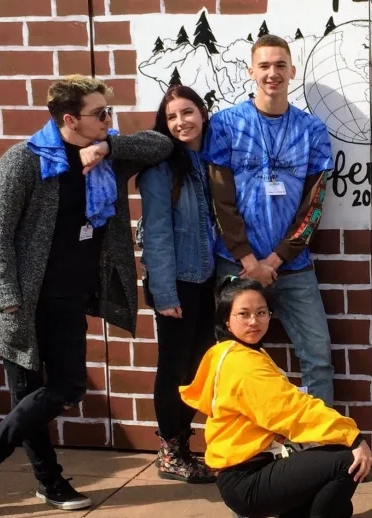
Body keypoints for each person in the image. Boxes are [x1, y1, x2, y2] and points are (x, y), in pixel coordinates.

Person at [0, 75, 173, 517]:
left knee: (68, 386)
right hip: (21, 301)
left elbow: (160, 145)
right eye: (100, 115)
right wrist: (8, 301)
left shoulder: (105, 158)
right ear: (70, 119)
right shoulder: (25, 162)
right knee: (28, 394)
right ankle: (48, 481)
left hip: (68, 298)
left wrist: (110, 146)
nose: (109, 120)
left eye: (108, 113)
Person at [204, 34, 335, 406]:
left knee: (318, 358)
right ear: (251, 72)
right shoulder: (225, 125)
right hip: (236, 266)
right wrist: (249, 262)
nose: (272, 73)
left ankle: (319, 446)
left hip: (293, 267)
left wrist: (274, 261)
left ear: (292, 71)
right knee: (231, 361)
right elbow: (220, 200)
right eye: (264, 66)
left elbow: (313, 207)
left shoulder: (313, 131)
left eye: (280, 65)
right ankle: (241, 451)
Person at [178, 276, 372, 518]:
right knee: (346, 461)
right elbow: (290, 410)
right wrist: (352, 436)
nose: (254, 321)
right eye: (244, 314)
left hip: (254, 467)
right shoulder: (243, 365)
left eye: (261, 312)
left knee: (337, 498)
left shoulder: (232, 351)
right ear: (226, 321)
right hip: (247, 479)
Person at [137, 86, 220, 483]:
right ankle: (170, 451)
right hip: (177, 283)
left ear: (203, 114)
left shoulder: (205, 161)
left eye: (187, 113)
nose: (181, 122)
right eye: (171, 117)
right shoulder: (162, 168)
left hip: (205, 280)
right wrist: (165, 294)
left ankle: (183, 447)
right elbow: (155, 232)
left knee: (198, 369)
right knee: (173, 369)